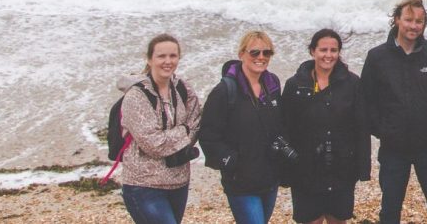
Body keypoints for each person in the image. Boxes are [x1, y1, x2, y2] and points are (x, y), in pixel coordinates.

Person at [360, 0, 427, 224]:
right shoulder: (377, 57)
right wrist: (382, 130)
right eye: (409, 20)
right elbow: (366, 100)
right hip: (393, 148)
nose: (414, 25)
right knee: (389, 209)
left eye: (420, 21)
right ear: (396, 20)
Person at [280, 29, 370, 224]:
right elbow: (284, 128)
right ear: (313, 51)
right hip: (305, 168)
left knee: (337, 219)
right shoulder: (295, 85)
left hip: (342, 167)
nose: (328, 55)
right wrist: (287, 167)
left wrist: (363, 168)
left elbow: (362, 128)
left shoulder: (353, 83)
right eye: (323, 50)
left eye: (333, 50)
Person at [200, 30, 288, 224]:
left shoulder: (272, 85)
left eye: (267, 53)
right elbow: (207, 135)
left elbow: (279, 127)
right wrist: (231, 162)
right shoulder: (225, 91)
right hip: (241, 182)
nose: (261, 57)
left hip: (269, 178)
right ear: (241, 54)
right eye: (254, 52)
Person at [119, 33, 203, 224]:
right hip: (144, 185)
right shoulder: (136, 96)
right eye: (161, 56)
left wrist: (177, 134)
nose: (168, 61)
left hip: (179, 181)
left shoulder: (183, 88)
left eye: (173, 56)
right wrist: (184, 130)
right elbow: (154, 144)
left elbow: (197, 122)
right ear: (149, 59)